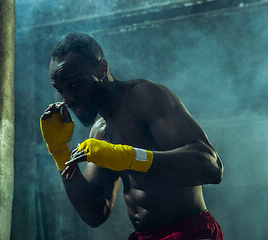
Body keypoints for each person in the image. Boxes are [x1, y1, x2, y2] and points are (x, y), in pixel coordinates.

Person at [40, 32, 224, 240]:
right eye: (60, 90)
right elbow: (95, 213)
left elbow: (211, 167)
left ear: (102, 69)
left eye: (74, 85)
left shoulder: (145, 97)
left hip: (188, 233)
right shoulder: (100, 132)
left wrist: (130, 157)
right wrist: (59, 150)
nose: (68, 99)